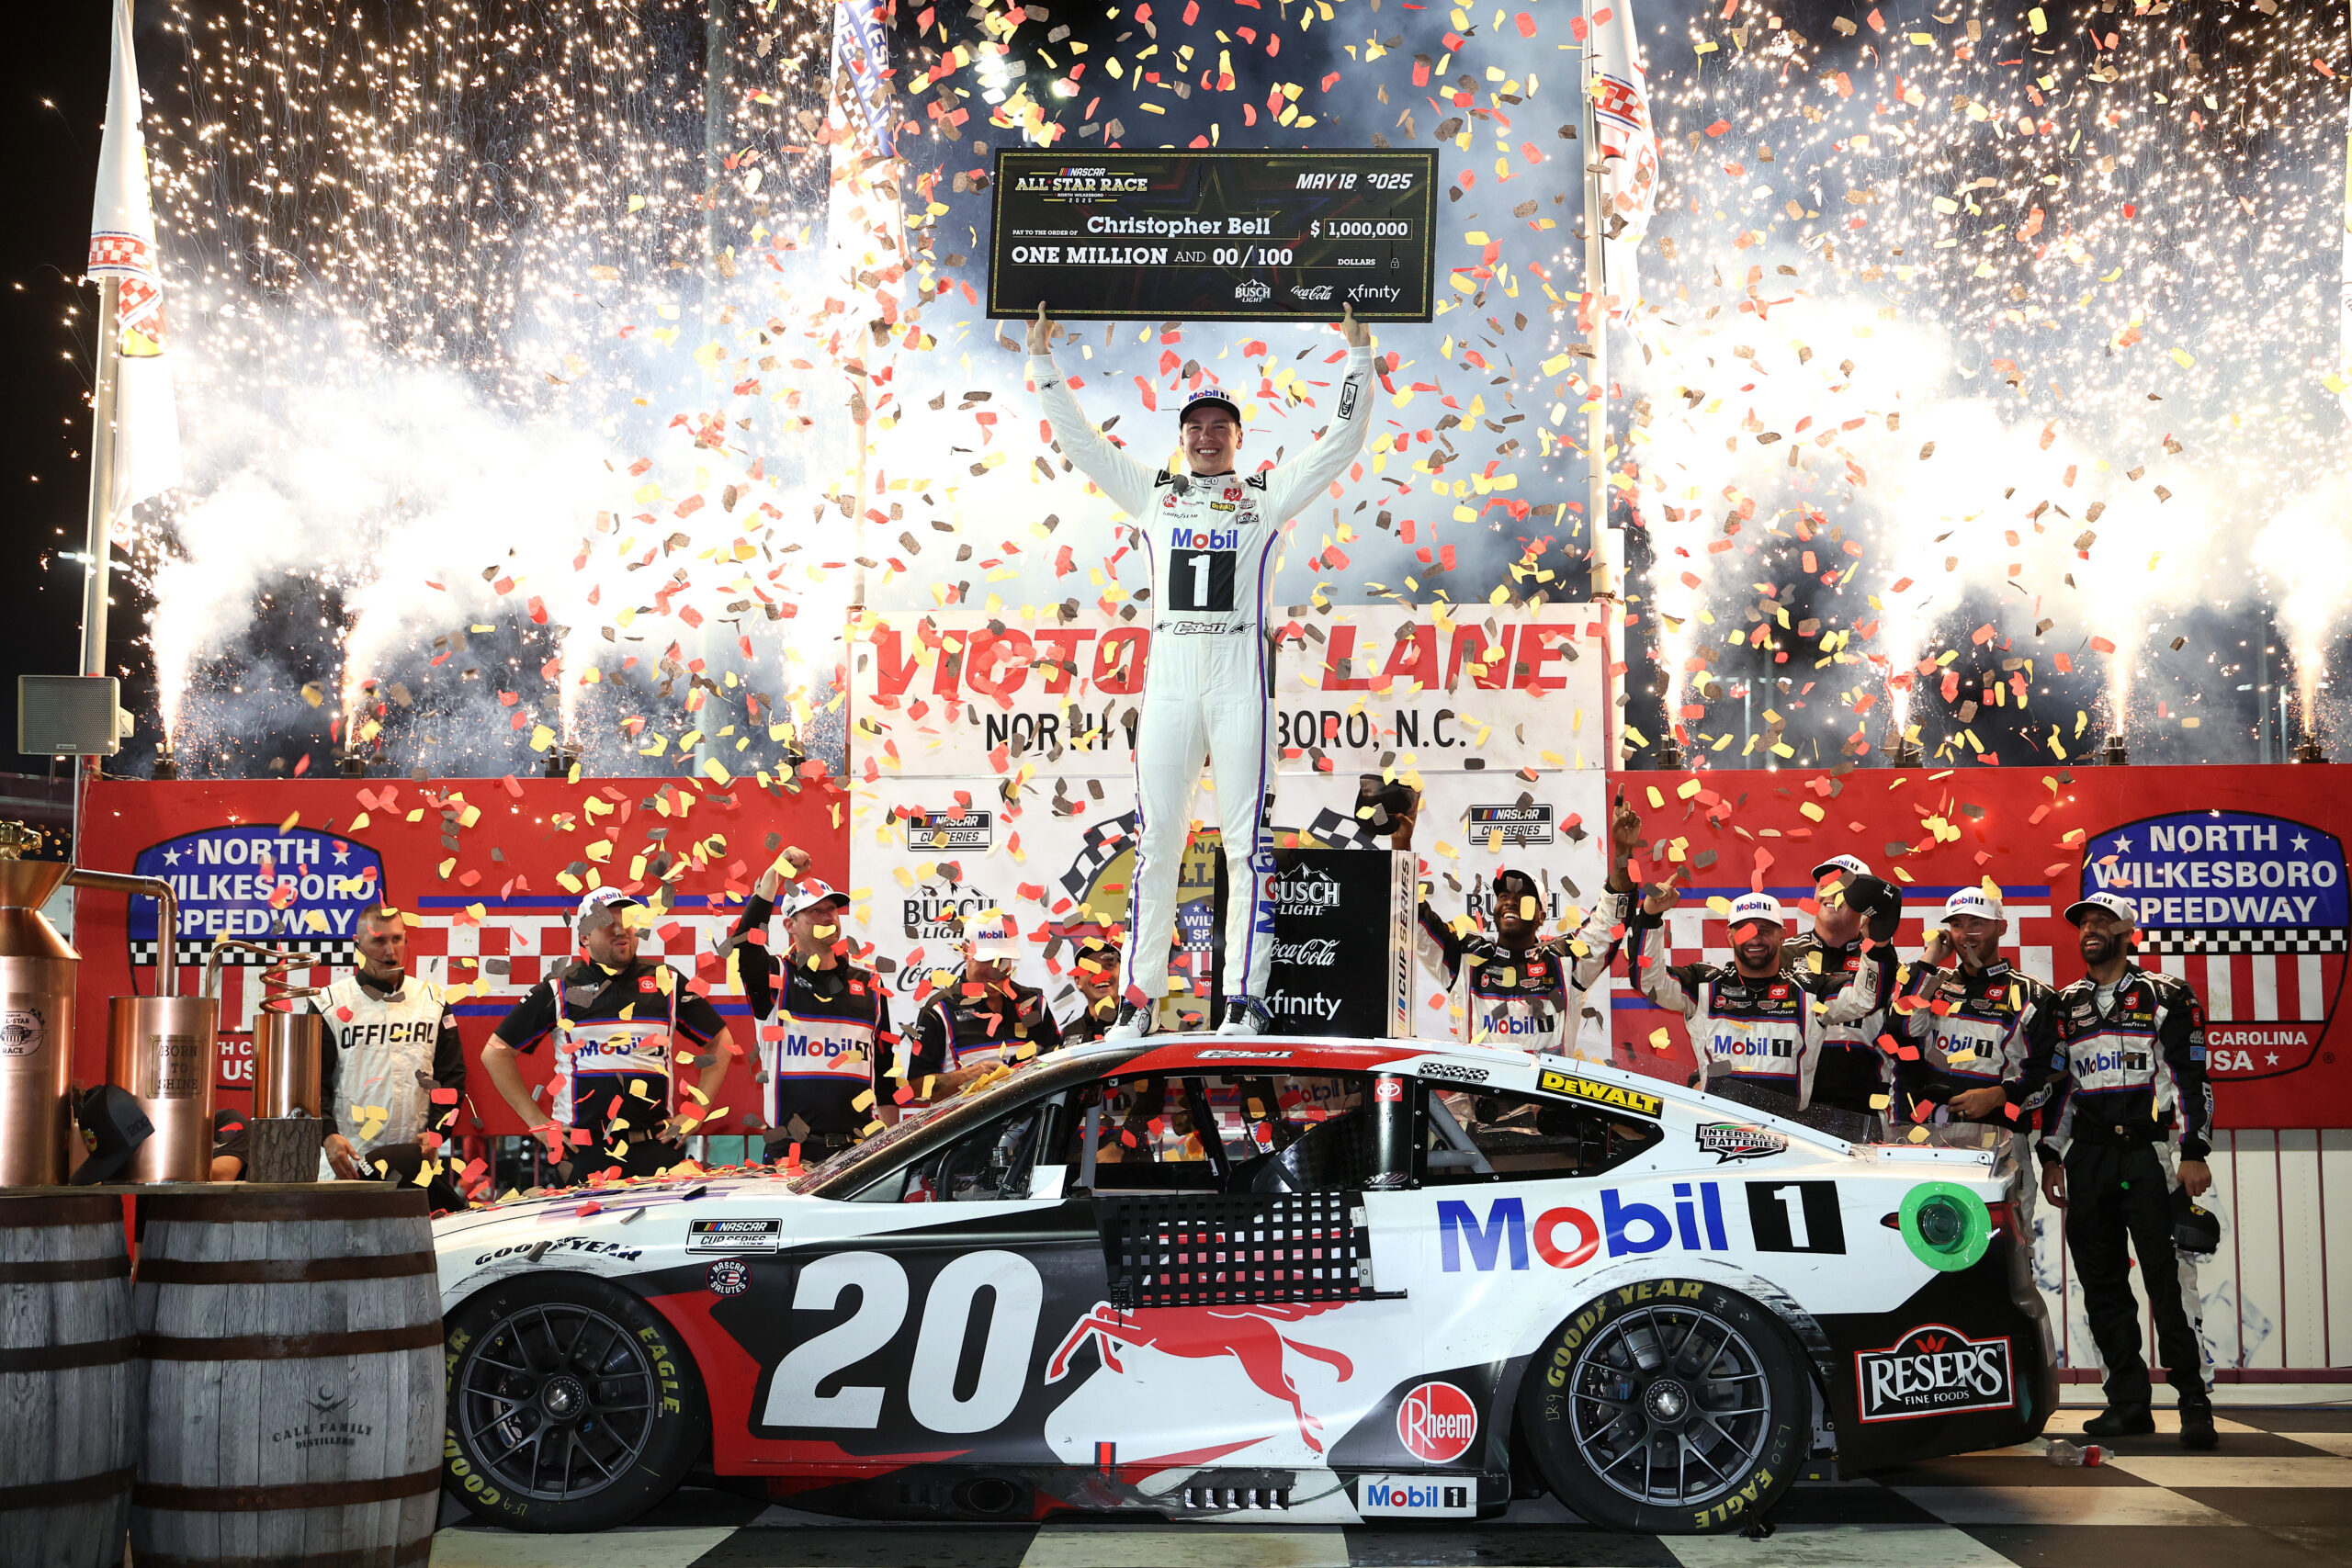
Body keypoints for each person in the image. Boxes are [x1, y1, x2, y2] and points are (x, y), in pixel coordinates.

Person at [1026, 301, 1378, 1037]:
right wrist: (1041, 363)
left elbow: (1341, 444)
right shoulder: (1152, 493)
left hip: (1239, 681)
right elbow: (1082, 445)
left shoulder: (1266, 494)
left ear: (1240, 439)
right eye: (1196, 426)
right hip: (1173, 683)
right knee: (1158, 842)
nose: (1208, 436)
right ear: (1181, 437)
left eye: (1221, 427)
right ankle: (1138, 999)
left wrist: (1358, 356)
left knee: (1249, 846)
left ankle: (1242, 1003)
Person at [2041, 890, 2219, 1450]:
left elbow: (2193, 1079)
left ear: (2128, 931)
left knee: (2169, 1283)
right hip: (2088, 1159)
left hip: (2152, 1155)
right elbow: (2059, 1090)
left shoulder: (2166, 995)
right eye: (2084, 923)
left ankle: (2194, 1402)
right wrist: (2050, 1154)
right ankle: (2127, 1402)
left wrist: (2194, 1151)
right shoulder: (2066, 1004)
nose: (2090, 929)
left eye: (2103, 921)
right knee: (2102, 1285)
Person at [480, 888, 736, 1183]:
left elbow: (721, 1041)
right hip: (583, 1153)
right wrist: (537, 1122)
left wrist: (698, 1111)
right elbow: (496, 1051)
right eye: (605, 921)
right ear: (584, 936)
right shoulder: (559, 987)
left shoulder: (667, 979)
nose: (619, 928)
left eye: (626, 918)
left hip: (654, 1148)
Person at [1627, 844, 1882, 1118]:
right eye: (1745, 929)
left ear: (1782, 936)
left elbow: (1865, 999)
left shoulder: (1807, 988)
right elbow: (1648, 981)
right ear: (1729, 936)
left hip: (1794, 1132)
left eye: (1765, 929)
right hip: (1717, 1128)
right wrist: (1651, 917)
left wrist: (1879, 940)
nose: (1755, 938)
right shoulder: (1704, 983)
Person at [1885, 886, 2059, 1233]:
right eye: (1958, 925)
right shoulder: (1936, 986)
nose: (1967, 934)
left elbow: (2053, 1073)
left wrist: (2000, 1096)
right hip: (1933, 1138)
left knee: (2009, 1254)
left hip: (2004, 1141)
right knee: (1932, 1249)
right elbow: (1900, 1028)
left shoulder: (2034, 995)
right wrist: (1931, 957)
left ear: (2001, 927)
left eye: (1977, 923)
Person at [1413, 795, 1639, 1059]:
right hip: (1481, 1099)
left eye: (1523, 899)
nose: (1511, 903)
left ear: (1541, 916)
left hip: (1548, 1098)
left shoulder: (1566, 960)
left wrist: (1623, 850)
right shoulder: (1468, 957)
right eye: (1504, 896)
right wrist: (1400, 842)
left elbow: (1610, 921)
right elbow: (1415, 920)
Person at [723, 848, 893, 1165]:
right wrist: (775, 876)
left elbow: (884, 1071)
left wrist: (893, 1150)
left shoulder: (870, 983)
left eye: (832, 909)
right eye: (816, 911)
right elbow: (746, 944)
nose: (829, 916)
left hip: (861, 1151)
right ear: (790, 925)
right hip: (792, 1153)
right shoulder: (776, 976)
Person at [311, 904, 466, 1181]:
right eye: (379, 940)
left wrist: (438, 1131)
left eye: (396, 939)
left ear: (406, 940)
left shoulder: (432, 1000)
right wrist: (326, 1135)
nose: (389, 950)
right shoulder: (330, 1004)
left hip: (414, 1158)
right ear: (358, 945)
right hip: (349, 1160)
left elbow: (451, 1077)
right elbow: (311, 1082)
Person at [1778, 855, 1904, 1121]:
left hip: (1863, 1114)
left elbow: (1908, 1042)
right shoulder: (1780, 957)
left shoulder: (1885, 963)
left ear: (1865, 902)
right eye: (1825, 883)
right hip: (1790, 1110)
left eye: (1844, 885)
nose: (1831, 891)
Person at [895, 916, 1064, 1106]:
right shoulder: (941, 1008)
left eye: (1003, 959)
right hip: (966, 1130)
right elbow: (917, 1090)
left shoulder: (1034, 1002)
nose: (995, 969)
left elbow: (1061, 1064)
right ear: (965, 952)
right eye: (988, 959)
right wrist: (967, 1075)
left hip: (1032, 1131)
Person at [1057, 924, 1125, 1045]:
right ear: (1078, 981)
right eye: (1090, 967)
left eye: (1109, 966)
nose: (1101, 974)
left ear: (1124, 974)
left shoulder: (1140, 1023)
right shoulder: (1070, 1032)